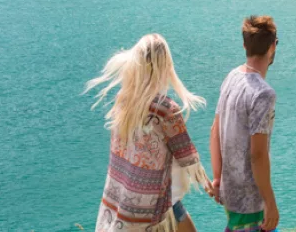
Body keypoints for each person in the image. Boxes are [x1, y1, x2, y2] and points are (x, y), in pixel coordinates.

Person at [86, 34, 212, 232]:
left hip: (125, 204)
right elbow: (188, 156)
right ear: (165, 66)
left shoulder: (124, 101)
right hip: (155, 208)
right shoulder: (165, 109)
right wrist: (211, 185)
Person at [210, 16, 280, 232]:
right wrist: (270, 202)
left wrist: (218, 178)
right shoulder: (263, 94)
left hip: (230, 191)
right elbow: (257, 155)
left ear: (244, 45)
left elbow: (215, 131)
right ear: (272, 46)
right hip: (251, 200)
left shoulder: (231, 77)